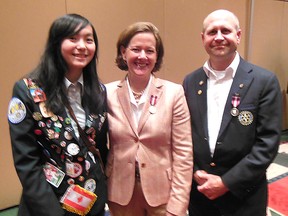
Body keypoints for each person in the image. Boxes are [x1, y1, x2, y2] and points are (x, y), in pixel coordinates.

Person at [183, 9, 282, 216]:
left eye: (225, 30)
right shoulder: (190, 82)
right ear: (203, 38)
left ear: (238, 35)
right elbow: (183, 135)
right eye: (212, 32)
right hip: (200, 196)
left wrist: (226, 182)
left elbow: (267, 144)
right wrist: (194, 172)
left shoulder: (264, 81)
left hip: (243, 198)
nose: (219, 37)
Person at [7, 14, 108, 216]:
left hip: (91, 203)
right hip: (47, 204)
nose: (82, 46)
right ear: (56, 43)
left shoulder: (98, 90)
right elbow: (27, 163)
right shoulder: (27, 91)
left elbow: (99, 148)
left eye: (89, 40)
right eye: (73, 38)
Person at [105, 22, 193, 216]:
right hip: (120, 193)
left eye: (150, 51)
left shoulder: (174, 93)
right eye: (136, 49)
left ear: (156, 56)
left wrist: (178, 205)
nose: (142, 57)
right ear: (123, 52)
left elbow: (184, 153)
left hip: (163, 193)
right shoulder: (106, 93)